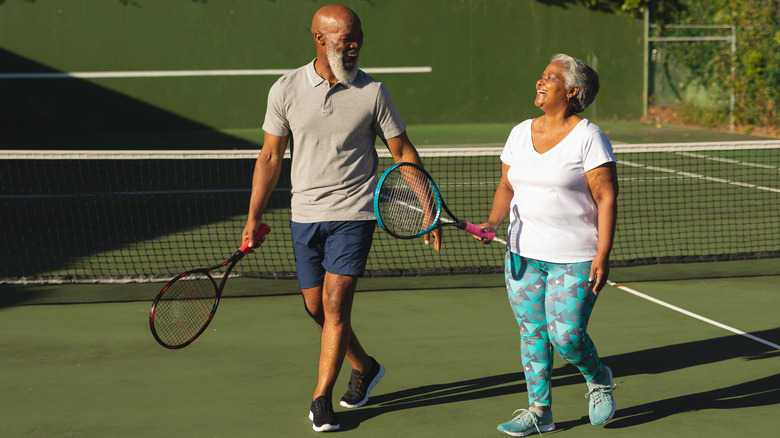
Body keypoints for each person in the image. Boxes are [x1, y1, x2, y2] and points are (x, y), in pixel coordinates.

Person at [241, 4, 441, 433]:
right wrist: (253, 216)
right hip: (304, 214)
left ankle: (321, 398)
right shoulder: (286, 89)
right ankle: (365, 366)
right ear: (319, 39)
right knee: (316, 306)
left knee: (335, 304)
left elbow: (402, 152)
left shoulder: (373, 93)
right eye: (344, 39)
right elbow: (271, 156)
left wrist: (429, 206)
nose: (353, 47)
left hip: (354, 212)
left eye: (358, 38)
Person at [477, 54, 619, 436]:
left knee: (567, 336)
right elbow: (507, 186)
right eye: (541, 76)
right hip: (522, 255)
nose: (540, 83)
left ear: (572, 92)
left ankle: (598, 377)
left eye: (550, 78)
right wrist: (493, 223)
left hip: (575, 258)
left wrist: (603, 255)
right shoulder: (520, 132)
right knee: (532, 333)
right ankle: (541, 411)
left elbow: (606, 197)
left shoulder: (589, 137)